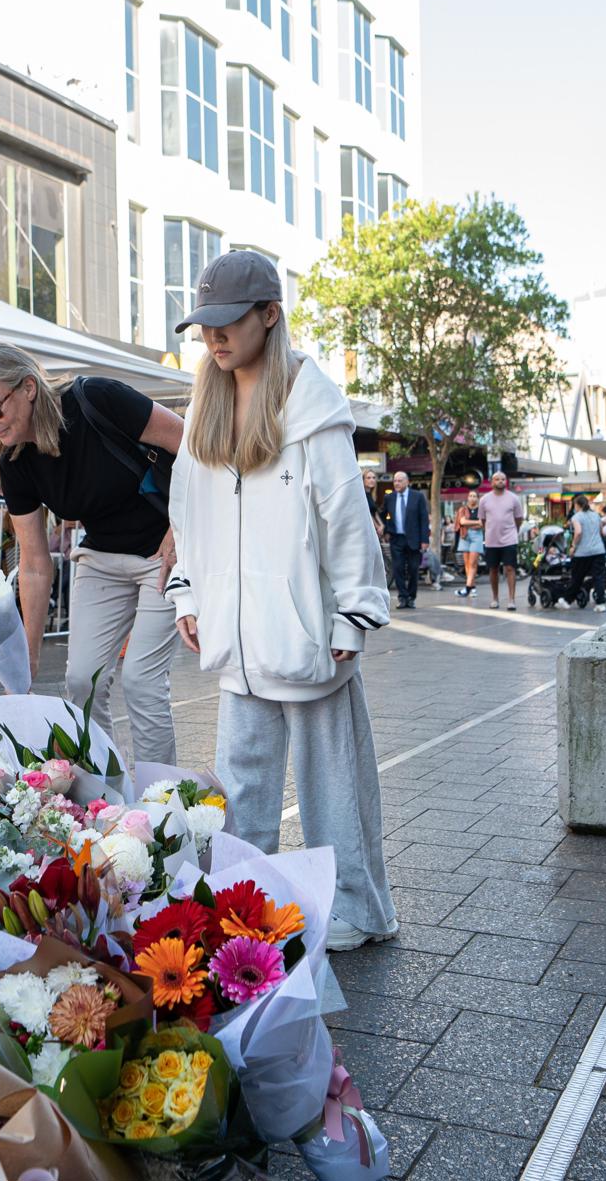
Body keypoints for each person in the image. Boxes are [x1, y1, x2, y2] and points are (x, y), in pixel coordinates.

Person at [165, 249, 397, 952]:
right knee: (242, 783)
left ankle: (360, 907)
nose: (214, 337)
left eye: (229, 321)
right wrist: (186, 593)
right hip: (236, 633)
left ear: (270, 315)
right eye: (205, 324)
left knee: (335, 782)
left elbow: (344, 514)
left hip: (309, 630)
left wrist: (354, 611)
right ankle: (244, 902)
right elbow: (190, 513)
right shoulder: (206, 405)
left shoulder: (312, 404)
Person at [0, 339, 185, 765]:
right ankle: (108, 789)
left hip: (164, 548)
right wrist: (26, 662)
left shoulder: (97, 398)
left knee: (142, 680)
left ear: (27, 387)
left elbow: (191, 442)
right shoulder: (14, 461)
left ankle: (162, 803)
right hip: (101, 557)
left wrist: (182, 526)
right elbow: (34, 564)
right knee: (83, 682)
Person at [381, 471, 428, 610]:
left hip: (414, 539)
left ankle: (411, 597)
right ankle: (402, 597)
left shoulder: (417, 497)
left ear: (407, 482)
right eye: (395, 481)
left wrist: (424, 539)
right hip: (397, 539)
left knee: (413, 569)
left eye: (400, 480)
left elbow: (423, 519)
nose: (396, 483)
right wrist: (386, 530)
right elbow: (383, 515)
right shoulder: (389, 497)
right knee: (398, 569)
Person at [478, 470, 524, 610]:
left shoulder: (514, 498)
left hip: (509, 539)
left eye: (503, 479)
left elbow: (519, 518)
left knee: (510, 568)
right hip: (492, 540)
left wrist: (513, 530)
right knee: (493, 569)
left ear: (506, 481)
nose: (500, 482)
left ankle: (511, 600)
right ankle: (495, 598)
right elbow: (483, 520)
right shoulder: (484, 499)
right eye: (497, 479)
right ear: (492, 482)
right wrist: (490, 531)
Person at [567, 493, 606, 611]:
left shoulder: (576, 517)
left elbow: (578, 532)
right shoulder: (596, 515)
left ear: (577, 505)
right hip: (599, 550)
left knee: (577, 577)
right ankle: (601, 604)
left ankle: (567, 600)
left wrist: (573, 546)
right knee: (598, 577)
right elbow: (603, 532)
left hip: (583, 552)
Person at [454, 490, 484, 598]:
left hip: (477, 536)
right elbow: (462, 522)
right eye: (470, 496)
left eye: (474, 496)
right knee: (467, 564)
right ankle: (473, 588)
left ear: (477, 498)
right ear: (467, 498)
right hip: (464, 535)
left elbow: (483, 523)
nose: (472, 498)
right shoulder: (463, 509)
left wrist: (470, 523)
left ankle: (467, 588)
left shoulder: (481, 510)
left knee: (473, 563)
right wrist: (476, 523)